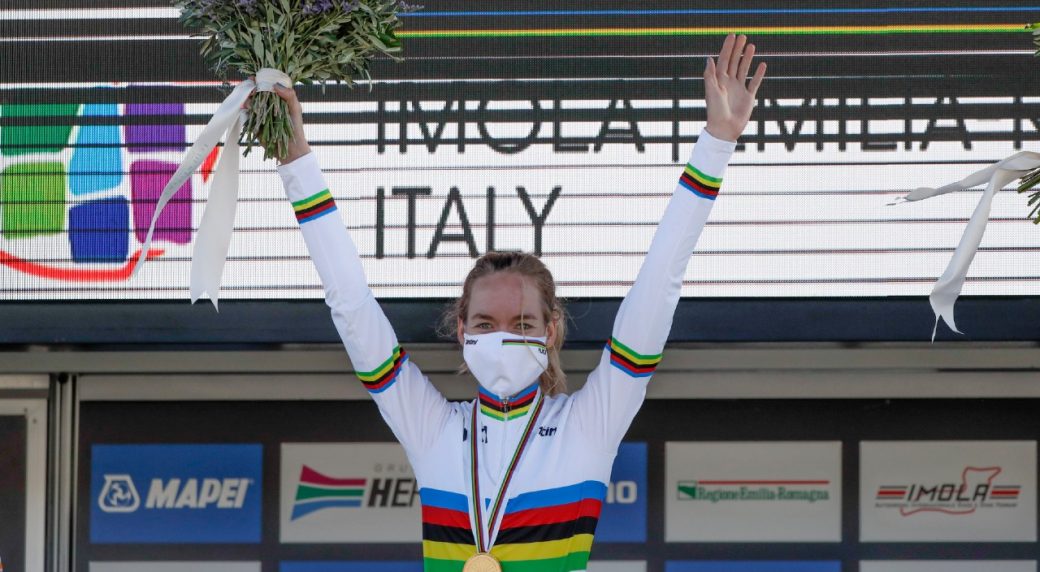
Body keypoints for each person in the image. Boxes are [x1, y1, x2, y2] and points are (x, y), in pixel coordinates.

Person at [271, 34, 765, 572]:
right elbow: (351, 305)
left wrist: (717, 144)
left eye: (523, 323)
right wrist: (296, 162)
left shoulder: (587, 428)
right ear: (462, 331)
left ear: (550, 332)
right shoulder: (434, 430)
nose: (503, 336)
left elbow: (657, 288)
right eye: (486, 323)